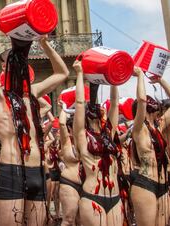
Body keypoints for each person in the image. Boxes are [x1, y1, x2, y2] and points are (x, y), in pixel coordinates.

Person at [0, 14, 69, 226]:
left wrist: (44, 43)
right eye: (14, 64)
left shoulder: (33, 93)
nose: (19, 68)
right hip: (11, 171)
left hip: (37, 172)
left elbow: (62, 73)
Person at [73, 60, 123, 226]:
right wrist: (80, 74)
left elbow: (114, 103)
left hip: (115, 197)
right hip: (92, 197)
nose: (95, 108)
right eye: (90, 108)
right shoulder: (82, 135)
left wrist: (114, 77)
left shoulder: (109, 132)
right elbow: (80, 103)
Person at [130, 68, 170, 226]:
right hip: (145, 183)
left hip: (163, 184)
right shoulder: (138, 128)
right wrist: (140, 76)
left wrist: (160, 80)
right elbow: (141, 100)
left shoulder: (159, 127)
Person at [58, 106, 82, 226]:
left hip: (86, 185)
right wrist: (65, 108)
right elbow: (61, 123)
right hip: (69, 183)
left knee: (81, 221)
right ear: (70, 129)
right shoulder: (66, 141)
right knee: (68, 220)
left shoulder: (87, 142)